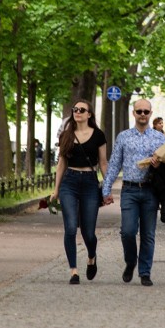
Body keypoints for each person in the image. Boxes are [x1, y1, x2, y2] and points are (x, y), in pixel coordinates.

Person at [102, 98, 165, 287]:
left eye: (146, 112)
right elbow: (114, 164)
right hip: (129, 190)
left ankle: (145, 272)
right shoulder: (123, 136)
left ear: (151, 114)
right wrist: (106, 189)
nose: (143, 115)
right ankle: (130, 262)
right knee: (128, 232)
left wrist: (159, 164)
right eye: (139, 112)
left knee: (148, 234)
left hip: (150, 191)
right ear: (133, 114)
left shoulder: (159, 138)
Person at [49, 99, 109, 285]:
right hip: (70, 183)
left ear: (89, 114)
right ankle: (73, 271)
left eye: (82, 110)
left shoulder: (98, 135)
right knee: (70, 228)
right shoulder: (66, 135)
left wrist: (106, 189)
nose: (77, 112)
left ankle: (91, 257)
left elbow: (103, 163)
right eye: (75, 109)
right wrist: (56, 190)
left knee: (88, 233)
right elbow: (61, 164)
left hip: (90, 183)